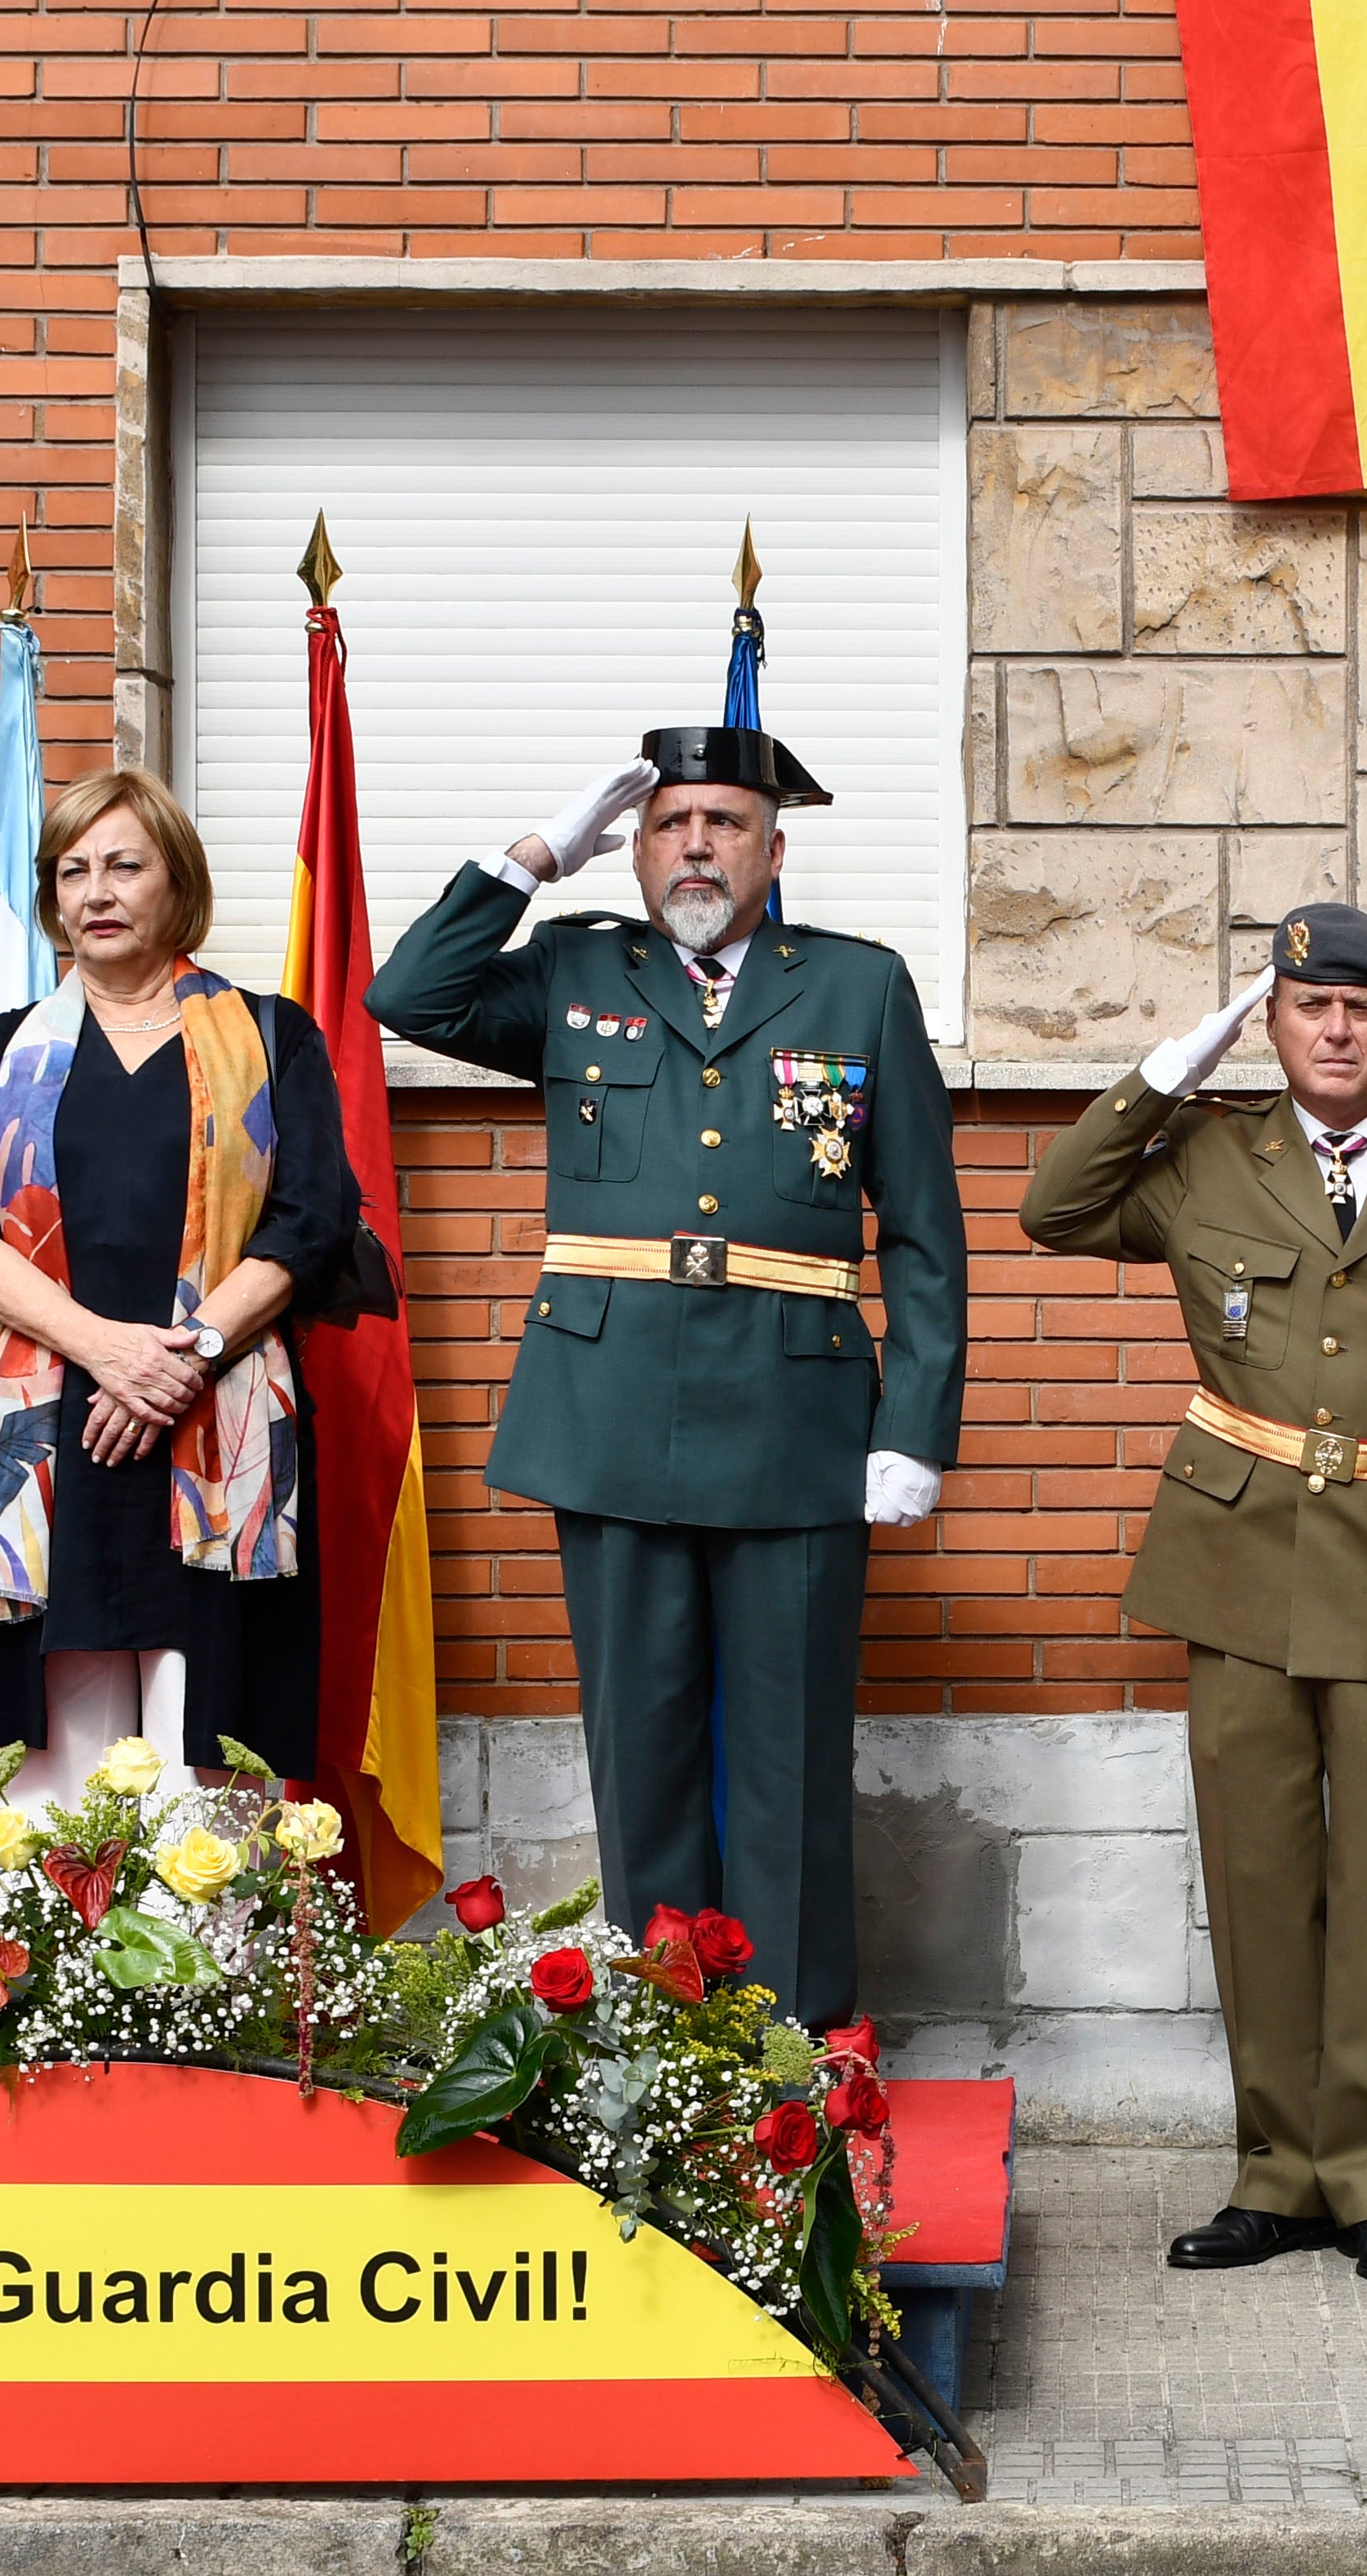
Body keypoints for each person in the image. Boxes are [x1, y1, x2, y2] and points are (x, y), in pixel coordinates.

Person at [369, 728, 963, 2021]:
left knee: (790, 1762)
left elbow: (921, 1227)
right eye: (669, 823)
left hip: (796, 1415)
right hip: (615, 1411)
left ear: (773, 849)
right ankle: (660, 2038)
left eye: (725, 823)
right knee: (639, 1753)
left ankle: (793, 2046)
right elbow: (406, 996)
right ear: (632, 849)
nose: (696, 844)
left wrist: (913, 1425)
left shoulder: (858, 988)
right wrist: (532, 857)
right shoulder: (579, 967)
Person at [1018, 904, 1367, 2288]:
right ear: (1271, 1022)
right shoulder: (1204, 1157)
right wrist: (1165, 1068)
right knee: (1258, 1879)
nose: (1334, 1029)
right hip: (1241, 1559)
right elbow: (1051, 1206)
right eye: (1308, 1006)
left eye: (1361, 1009)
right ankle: (1272, 2172)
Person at [0, 770, 361, 1802]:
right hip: (50, 1422)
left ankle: (208, 1967)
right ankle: (53, 1965)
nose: (96, 892)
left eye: (124, 864)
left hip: (213, 1407)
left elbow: (311, 1223)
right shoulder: (5, 1050)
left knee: (206, 1761)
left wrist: (183, 1359)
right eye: (72, 871)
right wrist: (105, 1350)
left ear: (179, 882)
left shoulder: (271, 1036)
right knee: (54, 1775)